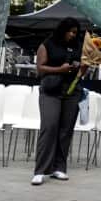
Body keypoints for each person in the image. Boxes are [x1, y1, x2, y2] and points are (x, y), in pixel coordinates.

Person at [32, 17, 86, 185]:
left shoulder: (78, 45)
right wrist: (60, 69)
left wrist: (83, 69)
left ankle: (59, 168)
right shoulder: (47, 44)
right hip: (50, 91)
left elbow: (81, 72)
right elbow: (40, 69)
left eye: (75, 33)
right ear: (62, 30)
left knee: (65, 130)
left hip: (72, 92)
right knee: (49, 127)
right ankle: (40, 170)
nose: (73, 35)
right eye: (70, 31)